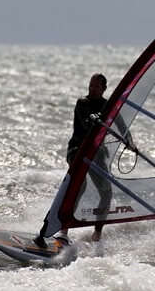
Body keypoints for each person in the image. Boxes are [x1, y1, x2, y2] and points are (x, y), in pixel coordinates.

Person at [34, 73, 117, 246]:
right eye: (90, 85)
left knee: (106, 192)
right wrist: (97, 120)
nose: (92, 89)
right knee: (80, 185)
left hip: (97, 153)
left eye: (96, 86)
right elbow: (87, 124)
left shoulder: (107, 105)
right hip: (77, 150)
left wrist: (129, 141)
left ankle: (97, 234)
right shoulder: (82, 103)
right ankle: (64, 231)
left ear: (104, 89)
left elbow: (119, 124)